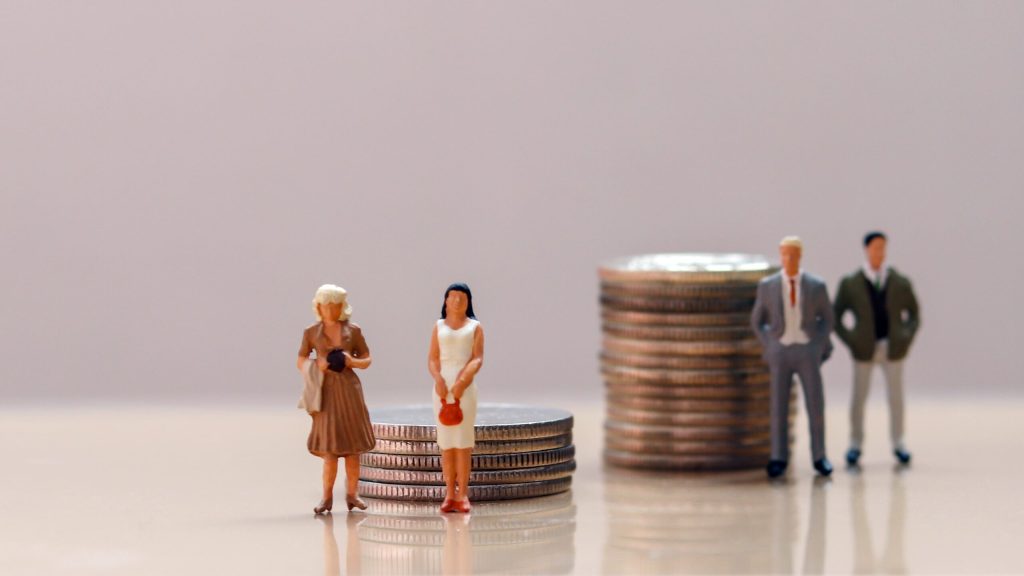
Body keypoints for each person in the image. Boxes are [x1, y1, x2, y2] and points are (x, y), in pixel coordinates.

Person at [750, 236, 834, 479]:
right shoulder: (768, 286)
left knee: (815, 404)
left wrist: (816, 344)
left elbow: (828, 318)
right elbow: (757, 321)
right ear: (780, 255)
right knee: (778, 406)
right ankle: (778, 457)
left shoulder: (816, 286)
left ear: (800, 256)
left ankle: (820, 456)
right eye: (785, 254)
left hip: (807, 351)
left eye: (793, 254)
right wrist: (770, 344)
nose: (789, 259)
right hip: (781, 351)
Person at [833, 231, 920, 466]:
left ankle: (898, 442)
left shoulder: (899, 282)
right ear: (867, 250)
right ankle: (855, 443)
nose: (879, 252)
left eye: (882, 247)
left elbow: (914, 314)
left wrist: (904, 337)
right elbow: (836, 315)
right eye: (874, 247)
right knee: (859, 398)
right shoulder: (851, 283)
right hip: (864, 350)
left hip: (891, 348)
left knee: (896, 398)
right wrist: (852, 340)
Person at [297, 284, 376, 514]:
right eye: (325, 306)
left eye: (334, 306)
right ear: (318, 307)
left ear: (342, 307)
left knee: (353, 450)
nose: (329, 310)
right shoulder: (311, 332)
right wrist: (316, 365)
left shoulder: (354, 331)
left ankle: (353, 495)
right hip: (326, 392)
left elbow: (367, 358)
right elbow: (300, 359)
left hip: (349, 392)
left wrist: (352, 362)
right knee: (330, 452)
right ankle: (326, 498)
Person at [428, 283, 485, 513]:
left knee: (463, 443)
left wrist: (462, 381)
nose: (457, 302)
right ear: (445, 301)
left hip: (465, 389)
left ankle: (463, 494)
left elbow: (477, 358)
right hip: (442, 388)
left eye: (462, 298)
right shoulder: (438, 326)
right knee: (446, 443)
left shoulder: (475, 327)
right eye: (453, 297)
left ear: (469, 301)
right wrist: (438, 379)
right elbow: (432, 358)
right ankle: (449, 492)